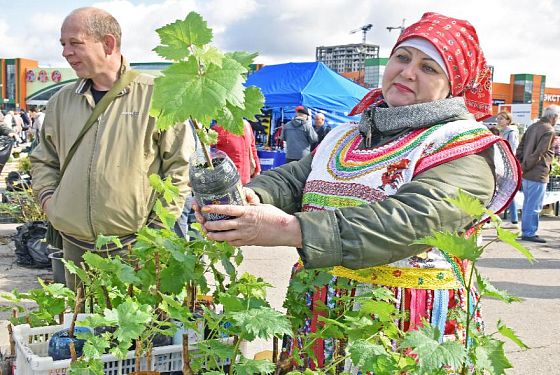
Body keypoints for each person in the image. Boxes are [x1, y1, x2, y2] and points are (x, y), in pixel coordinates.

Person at [195, 12, 520, 372]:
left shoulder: (465, 146)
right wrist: (253, 198)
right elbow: (294, 179)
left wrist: (292, 229)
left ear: (452, 85)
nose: (408, 72)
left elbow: (413, 220)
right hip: (320, 316)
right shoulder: (346, 134)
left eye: (429, 68)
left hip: (402, 326)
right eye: (403, 57)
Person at [30, 7, 195, 290]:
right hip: (74, 247)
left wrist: (156, 230)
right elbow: (43, 159)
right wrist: (50, 203)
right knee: (82, 327)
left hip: (136, 247)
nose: (66, 53)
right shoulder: (60, 101)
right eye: (63, 45)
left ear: (108, 44)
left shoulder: (159, 96)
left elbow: (180, 169)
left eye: (75, 43)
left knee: (136, 330)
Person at [516, 105, 559, 243]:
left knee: (529, 203)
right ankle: (529, 232)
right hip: (538, 172)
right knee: (534, 205)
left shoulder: (532, 127)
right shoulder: (549, 130)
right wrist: (526, 166)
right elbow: (540, 153)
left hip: (528, 172)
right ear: (553, 117)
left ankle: (527, 231)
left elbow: (520, 148)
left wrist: (521, 165)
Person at [213, 119, 261, 185]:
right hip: (228, 181)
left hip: (246, 180)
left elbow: (252, 147)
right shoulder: (219, 128)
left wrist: (257, 170)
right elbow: (206, 149)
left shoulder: (246, 125)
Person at [496, 111, 520, 229]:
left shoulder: (511, 132)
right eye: (498, 118)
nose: (498, 120)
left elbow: (513, 149)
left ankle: (514, 220)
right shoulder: (502, 132)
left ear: (508, 120)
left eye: (501, 118)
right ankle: (498, 219)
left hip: (508, 164)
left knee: (508, 191)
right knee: (502, 191)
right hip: (502, 162)